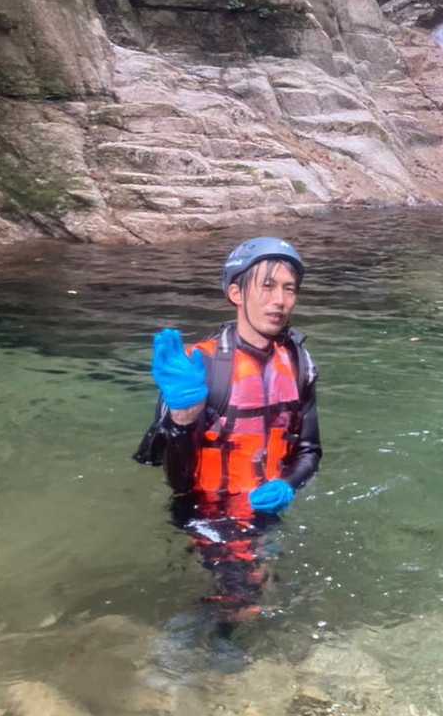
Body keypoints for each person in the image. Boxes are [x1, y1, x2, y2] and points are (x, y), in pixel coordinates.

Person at [134, 236, 320, 615]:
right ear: (236, 293)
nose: (280, 300)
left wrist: (288, 484)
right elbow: (177, 480)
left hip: (266, 507)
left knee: (273, 595)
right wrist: (183, 415)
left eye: (289, 289)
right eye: (267, 286)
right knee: (242, 604)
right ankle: (183, 648)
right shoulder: (197, 366)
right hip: (207, 511)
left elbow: (309, 450)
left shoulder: (299, 362)